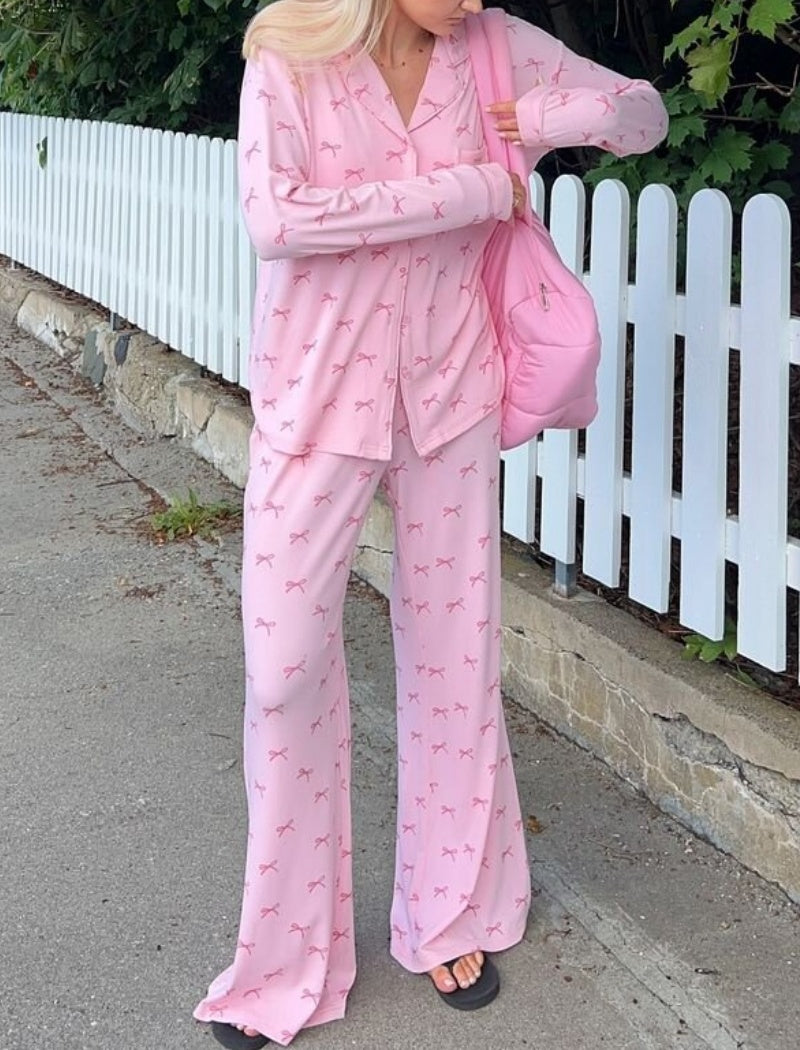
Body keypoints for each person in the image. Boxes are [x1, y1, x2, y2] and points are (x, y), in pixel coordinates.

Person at [194, 1, 667, 1046]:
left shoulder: (491, 46)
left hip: (449, 391)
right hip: (316, 405)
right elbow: (278, 219)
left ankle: (449, 908)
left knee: (455, 666)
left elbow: (645, 117)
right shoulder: (288, 56)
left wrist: (558, 117)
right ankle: (282, 963)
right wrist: (470, 188)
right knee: (281, 677)